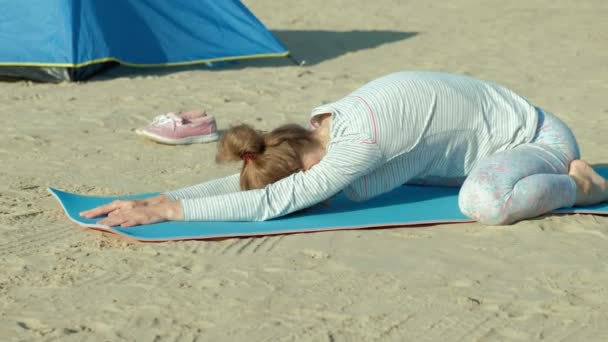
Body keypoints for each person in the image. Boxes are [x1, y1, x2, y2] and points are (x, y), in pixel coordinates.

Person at [80, 71, 608, 227]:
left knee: (486, 205)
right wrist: (161, 196)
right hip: (463, 153)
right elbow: (266, 183)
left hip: (536, 142)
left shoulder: (359, 141)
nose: (314, 185)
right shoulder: (322, 123)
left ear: (304, 158)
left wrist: (171, 212)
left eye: (309, 179)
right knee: (352, 191)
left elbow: (272, 201)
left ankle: (580, 186)